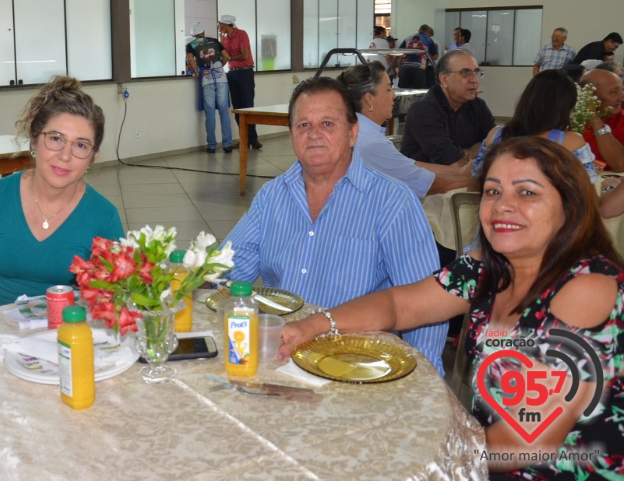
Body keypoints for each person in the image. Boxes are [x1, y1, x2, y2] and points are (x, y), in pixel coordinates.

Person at [279, 137, 624, 477]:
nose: (503, 205)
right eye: (493, 191)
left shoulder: (586, 289)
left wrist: (405, 449)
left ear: (570, 206)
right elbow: (400, 305)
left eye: (527, 192)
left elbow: (522, 443)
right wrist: (313, 325)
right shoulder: (490, 267)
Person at [224, 77, 447, 372]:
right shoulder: (271, 197)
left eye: (328, 124)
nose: (314, 134)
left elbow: (424, 305)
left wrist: (425, 378)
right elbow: (225, 270)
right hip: (281, 354)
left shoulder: (391, 201)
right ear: (291, 134)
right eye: (303, 125)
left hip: (357, 364)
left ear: (353, 133)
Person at [0, 76, 124, 312]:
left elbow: (116, 292)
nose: (65, 155)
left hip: (66, 334)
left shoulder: (103, 216)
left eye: (80, 145)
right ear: (33, 140)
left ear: (94, 156)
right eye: (55, 139)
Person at [338, 63, 471, 198]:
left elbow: (406, 165)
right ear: (369, 99)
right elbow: (418, 181)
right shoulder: (370, 141)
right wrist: (468, 177)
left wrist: (458, 171)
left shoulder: (357, 130)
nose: (394, 95)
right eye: (388, 89)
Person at [471, 69, 598, 182]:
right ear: (567, 108)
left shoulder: (495, 135)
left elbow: (475, 185)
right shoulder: (571, 142)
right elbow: (585, 193)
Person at [400, 50, 496, 166]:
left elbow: (496, 146)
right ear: (444, 79)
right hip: (426, 182)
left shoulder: (477, 106)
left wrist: (469, 153)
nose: (474, 80)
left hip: (465, 179)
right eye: (465, 73)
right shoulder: (423, 110)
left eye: (476, 72)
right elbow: (450, 160)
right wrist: (479, 149)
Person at [185, 22, 232, 153]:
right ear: (204, 32)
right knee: (224, 112)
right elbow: (227, 56)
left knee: (210, 114)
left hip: (207, 80)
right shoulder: (214, 40)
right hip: (222, 79)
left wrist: (195, 72)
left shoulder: (191, 44)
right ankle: (227, 144)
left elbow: (189, 59)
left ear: (193, 35)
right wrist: (219, 67)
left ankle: (212, 146)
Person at [219, 15, 262, 150]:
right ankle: (244, 139)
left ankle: (253, 139)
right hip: (232, 74)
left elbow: (244, 55)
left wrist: (230, 57)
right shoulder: (225, 39)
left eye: (219, 24)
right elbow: (224, 58)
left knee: (248, 106)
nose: (218, 27)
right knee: (238, 109)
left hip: (245, 73)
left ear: (225, 25)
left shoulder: (241, 34)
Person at [580, 67, 624, 172]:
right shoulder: (572, 120)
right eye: (613, 92)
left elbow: (621, 165)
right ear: (590, 96)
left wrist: (595, 119)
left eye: (621, 89)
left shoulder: (621, 119)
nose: (621, 97)